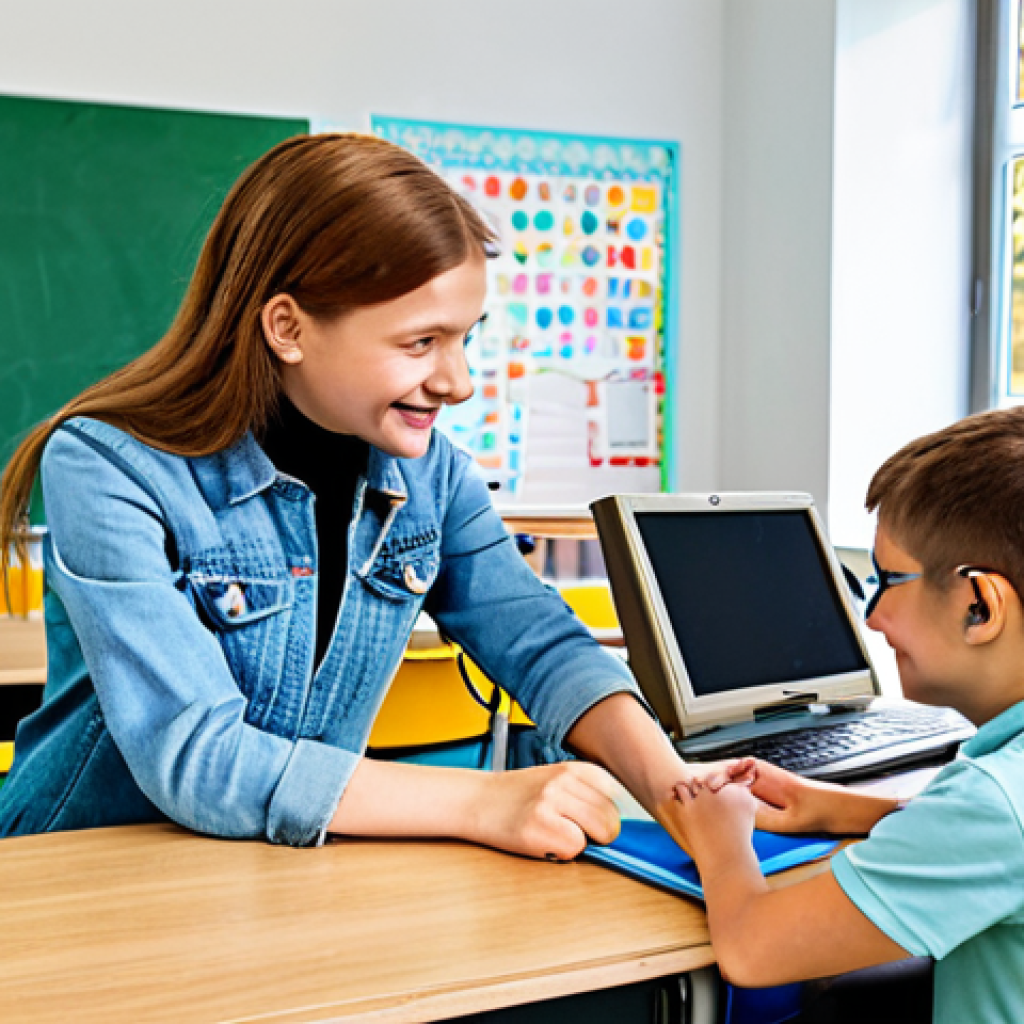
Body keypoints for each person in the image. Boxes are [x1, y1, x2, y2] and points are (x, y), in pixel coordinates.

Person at [0, 133, 760, 855]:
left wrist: (681, 791)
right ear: (288, 327)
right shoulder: (111, 466)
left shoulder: (433, 474)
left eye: (467, 337)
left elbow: (543, 645)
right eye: (420, 343)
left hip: (280, 869)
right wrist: (480, 802)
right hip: (81, 872)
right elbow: (199, 757)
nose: (458, 381)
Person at [672, 406, 1024, 1024]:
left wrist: (718, 837)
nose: (873, 616)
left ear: (979, 606)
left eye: (888, 580)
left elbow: (755, 949)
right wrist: (842, 807)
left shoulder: (997, 803)